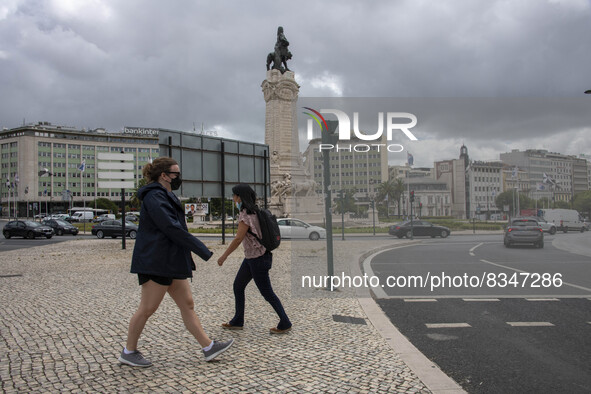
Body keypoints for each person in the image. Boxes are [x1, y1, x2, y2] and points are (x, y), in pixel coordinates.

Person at [119, 157, 233, 367]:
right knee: (147, 308)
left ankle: (208, 347)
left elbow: (175, 230)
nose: (179, 177)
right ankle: (129, 351)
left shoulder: (166, 195)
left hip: (170, 260)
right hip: (156, 260)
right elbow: (171, 228)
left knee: (187, 304)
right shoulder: (154, 197)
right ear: (164, 175)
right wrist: (200, 249)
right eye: (176, 174)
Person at [217, 184, 292, 334]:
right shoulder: (255, 212)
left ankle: (285, 322)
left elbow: (238, 239)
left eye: (234, 196)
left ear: (240, 197)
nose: (233, 199)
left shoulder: (245, 215)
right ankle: (238, 320)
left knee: (267, 292)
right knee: (238, 286)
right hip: (253, 257)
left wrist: (224, 256)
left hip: (258, 259)